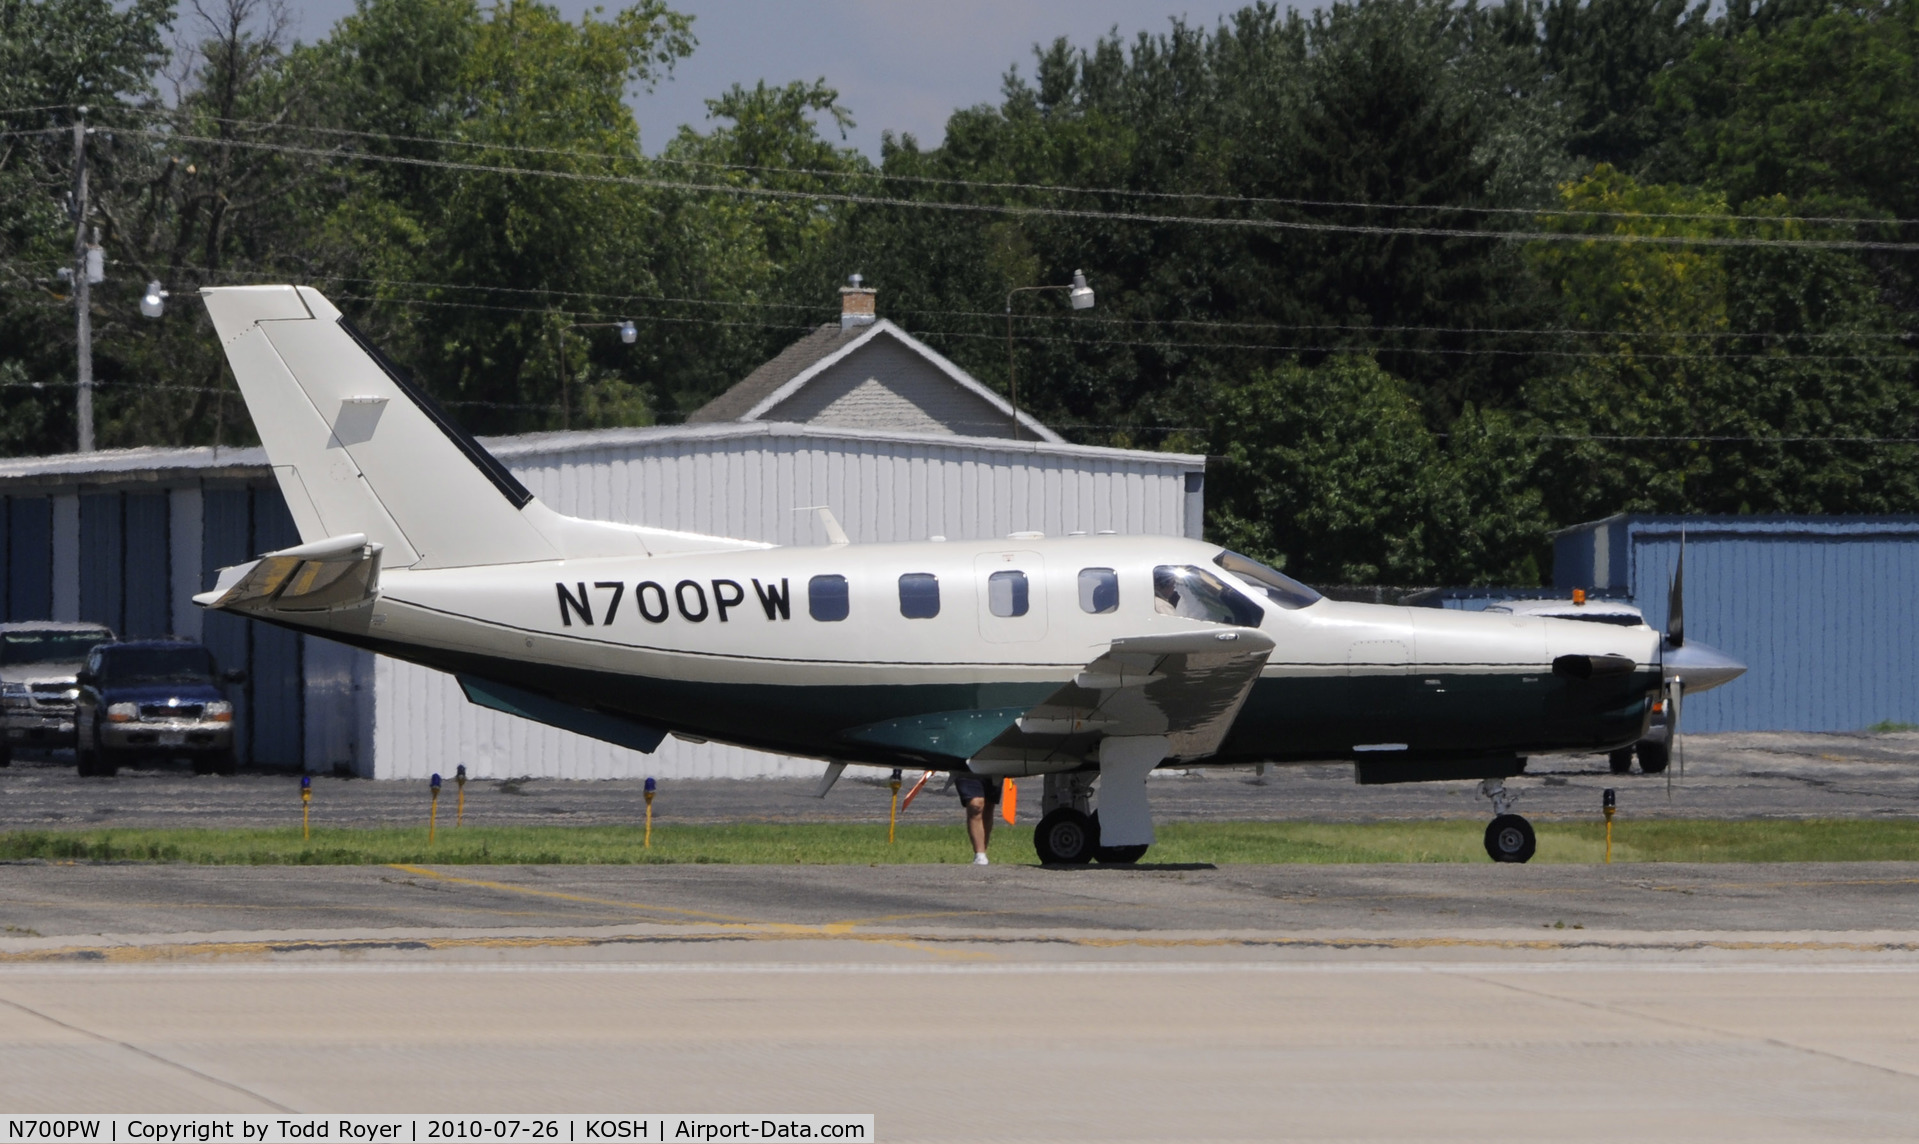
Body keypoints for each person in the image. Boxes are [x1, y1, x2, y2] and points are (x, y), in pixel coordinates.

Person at [953, 772, 1003, 865]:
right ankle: (980, 855)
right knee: (976, 805)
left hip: (993, 765)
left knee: (988, 805)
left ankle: (983, 850)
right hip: (964, 765)